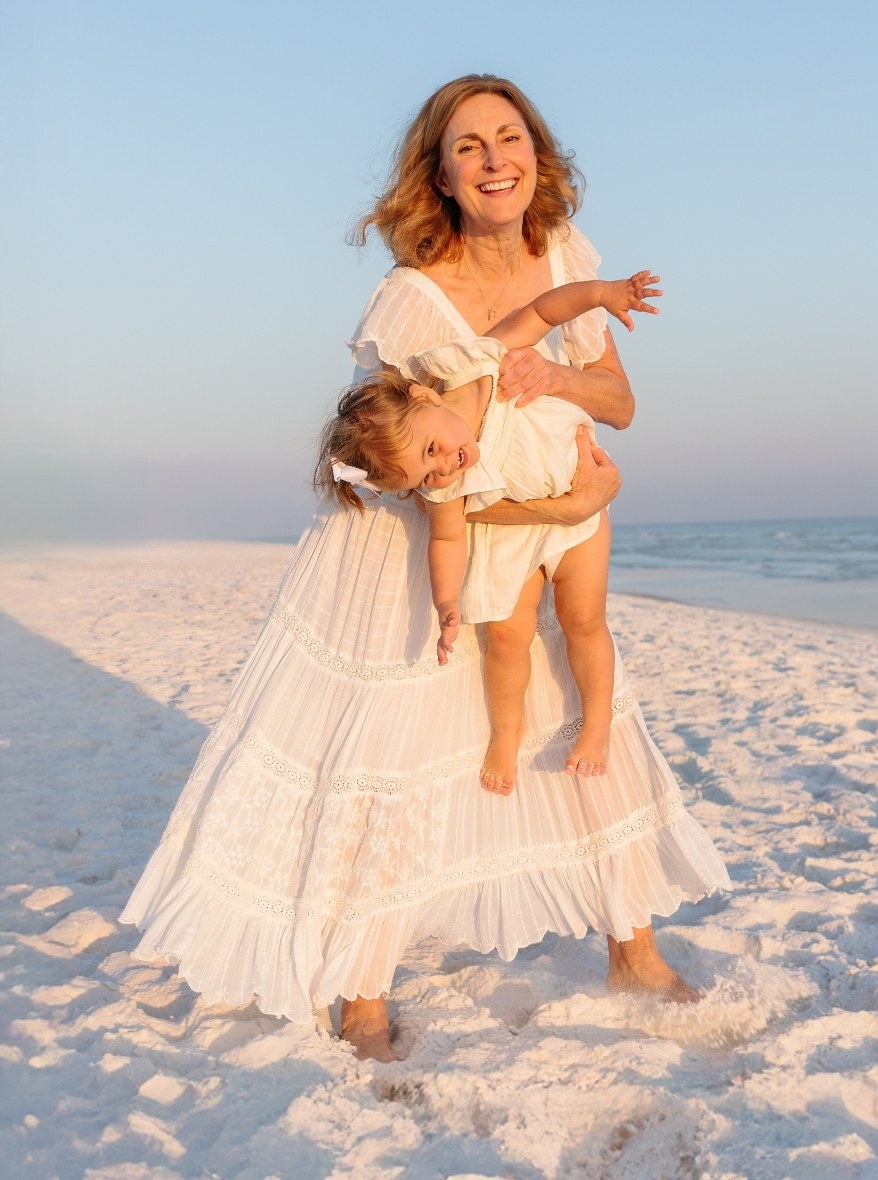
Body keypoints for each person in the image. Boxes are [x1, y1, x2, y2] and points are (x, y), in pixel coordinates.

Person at [121, 74, 729, 1063]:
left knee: (588, 708)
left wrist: (559, 383)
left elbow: (619, 402)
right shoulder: (412, 300)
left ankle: (634, 948)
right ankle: (362, 989)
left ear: (537, 152)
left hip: (537, 522)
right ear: (440, 178)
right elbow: (426, 471)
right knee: (395, 753)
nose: (496, 160)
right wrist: (572, 502)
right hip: (423, 542)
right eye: (469, 147)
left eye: (510, 137)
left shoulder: (565, 258)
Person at [313, 270, 663, 796]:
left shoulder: (477, 364)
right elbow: (448, 540)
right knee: (504, 638)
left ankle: (596, 728)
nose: (445, 468)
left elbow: (545, 310)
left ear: (426, 399)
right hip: (508, 539)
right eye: (426, 476)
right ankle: (507, 735)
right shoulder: (444, 484)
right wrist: (446, 602)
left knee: (585, 619)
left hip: (579, 513)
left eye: (434, 450)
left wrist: (603, 294)